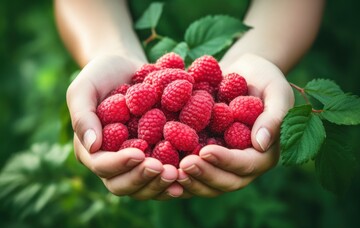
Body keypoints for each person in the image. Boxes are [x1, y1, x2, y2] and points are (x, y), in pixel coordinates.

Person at [55, 0, 324, 200]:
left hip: (279, 38)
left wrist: (263, 56)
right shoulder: (155, 101)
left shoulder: (205, 100)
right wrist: (109, 49)